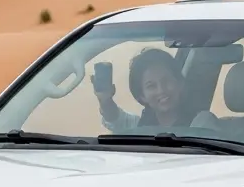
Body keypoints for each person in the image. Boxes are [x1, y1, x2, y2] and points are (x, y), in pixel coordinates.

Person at [92, 48, 220, 132]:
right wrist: (105, 100)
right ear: (142, 96)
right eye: (151, 86)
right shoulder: (141, 126)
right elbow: (115, 119)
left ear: (180, 84)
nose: (161, 90)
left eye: (167, 81)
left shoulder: (202, 122)